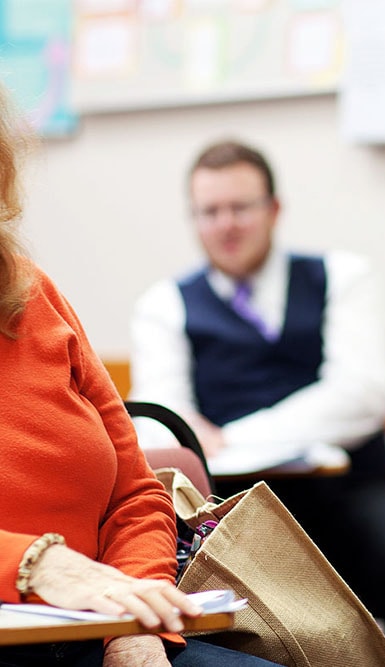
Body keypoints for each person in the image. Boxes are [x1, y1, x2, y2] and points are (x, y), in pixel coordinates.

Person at [129, 139, 385, 667]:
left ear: (274, 209)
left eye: (240, 208)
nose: (226, 225)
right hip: (235, 512)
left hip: (351, 494)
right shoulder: (164, 306)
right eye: (209, 212)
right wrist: (211, 440)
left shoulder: (343, 277)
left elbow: (361, 397)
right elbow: (165, 429)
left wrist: (231, 436)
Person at [0, 96, 279, 666]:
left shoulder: (32, 293)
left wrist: (134, 632)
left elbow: (134, 493)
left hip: (91, 634)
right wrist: (38, 564)